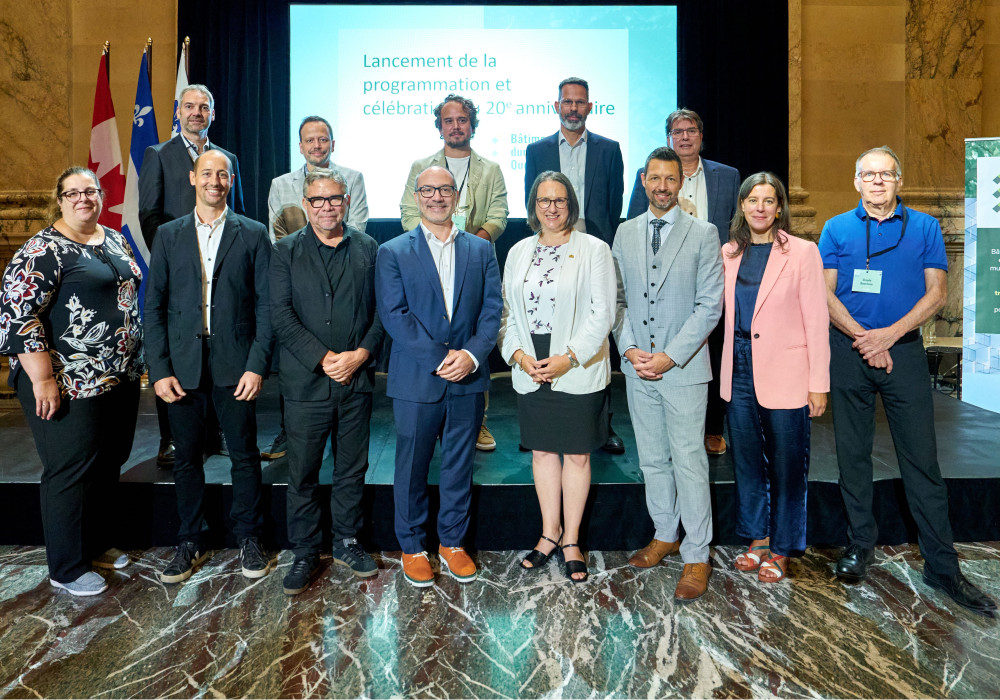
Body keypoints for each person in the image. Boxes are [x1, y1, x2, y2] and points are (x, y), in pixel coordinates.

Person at [819, 146, 996, 616]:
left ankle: (942, 565)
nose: (877, 181)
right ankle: (859, 547)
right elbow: (823, 291)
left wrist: (889, 336)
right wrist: (863, 338)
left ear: (899, 180)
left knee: (922, 460)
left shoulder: (924, 227)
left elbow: (938, 293)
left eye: (886, 174)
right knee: (852, 456)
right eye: (868, 174)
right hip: (851, 352)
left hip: (904, 354)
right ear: (856, 181)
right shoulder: (836, 228)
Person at [0, 166, 143, 595]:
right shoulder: (43, 250)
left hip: (117, 379)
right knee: (70, 470)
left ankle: (95, 544)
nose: (84, 198)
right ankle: (65, 566)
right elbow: (17, 316)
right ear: (59, 200)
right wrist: (42, 379)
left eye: (91, 191)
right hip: (66, 383)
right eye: (73, 192)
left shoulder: (114, 238)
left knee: (107, 462)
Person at [144, 149, 273, 585]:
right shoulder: (168, 234)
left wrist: (257, 366)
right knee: (185, 460)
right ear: (192, 177)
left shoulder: (253, 234)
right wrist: (158, 370)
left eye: (222, 174)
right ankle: (190, 539)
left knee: (244, 456)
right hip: (181, 370)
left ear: (231, 180)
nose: (214, 180)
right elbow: (154, 308)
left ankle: (249, 537)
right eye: (206, 173)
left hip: (236, 368)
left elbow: (267, 307)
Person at [376, 165, 502, 587]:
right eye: (427, 190)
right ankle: (412, 546)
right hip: (417, 378)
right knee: (412, 465)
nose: (436, 197)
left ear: (457, 195)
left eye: (444, 189)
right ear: (416, 195)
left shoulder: (481, 251)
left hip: (468, 377)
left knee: (459, 464)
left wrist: (469, 355)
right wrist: (439, 357)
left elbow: (491, 311)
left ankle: (452, 543)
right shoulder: (393, 251)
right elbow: (395, 315)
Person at [612, 147, 723, 601]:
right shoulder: (624, 232)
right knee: (653, 459)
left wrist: (669, 357)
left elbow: (709, 305)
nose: (661, 186)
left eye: (670, 179)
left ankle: (697, 553)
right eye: (654, 178)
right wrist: (631, 349)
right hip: (638, 368)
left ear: (681, 183)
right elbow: (616, 301)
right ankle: (665, 533)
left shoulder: (704, 233)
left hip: (683, 370)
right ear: (643, 181)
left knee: (689, 460)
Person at [270, 168, 384, 595]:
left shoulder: (369, 248)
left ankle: (348, 542)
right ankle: (303, 551)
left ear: (347, 201)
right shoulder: (283, 251)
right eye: (317, 201)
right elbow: (280, 314)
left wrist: (361, 354)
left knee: (352, 468)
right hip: (306, 384)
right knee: (302, 472)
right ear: (306, 205)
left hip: (355, 381)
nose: (326, 207)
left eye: (334, 199)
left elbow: (381, 313)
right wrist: (324, 358)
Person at [497, 171, 615, 583]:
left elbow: (604, 312)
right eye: (544, 200)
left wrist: (570, 357)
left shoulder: (594, 249)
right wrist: (515, 353)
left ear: (571, 205)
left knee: (577, 455)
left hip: (575, 366)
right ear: (533, 206)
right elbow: (506, 313)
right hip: (531, 366)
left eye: (560, 200)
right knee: (543, 452)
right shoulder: (518, 251)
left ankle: (572, 541)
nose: (552, 207)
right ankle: (549, 534)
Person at [719, 173, 829, 582]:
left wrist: (819, 383)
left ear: (779, 207)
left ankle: (782, 547)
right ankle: (757, 538)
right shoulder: (729, 252)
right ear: (742, 207)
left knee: (787, 463)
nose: (760, 207)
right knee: (746, 460)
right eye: (753, 200)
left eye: (769, 200)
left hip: (788, 370)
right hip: (740, 366)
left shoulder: (802, 252)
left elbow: (817, 321)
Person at [138, 84, 243, 467]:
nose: (197, 113)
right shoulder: (158, 154)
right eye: (189, 107)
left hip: (222, 269)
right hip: (180, 272)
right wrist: (179, 257)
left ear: (213, 114)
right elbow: (149, 214)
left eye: (204, 107)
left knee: (216, 356)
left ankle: (217, 433)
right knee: (180, 353)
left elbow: (240, 213)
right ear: (177, 111)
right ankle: (171, 440)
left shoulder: (227, 157)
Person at [626, 109, 740, 457]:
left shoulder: (727, 175)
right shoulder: (652, 177)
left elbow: (736, 224)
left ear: (701, 136)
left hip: (712, 276)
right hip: (665, 277)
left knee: (715, 352)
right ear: (669, 138)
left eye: (691, 130)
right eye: (678, 131)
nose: (685, 136)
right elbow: (635, 218)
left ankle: (712, 429)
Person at [400, 94, 509, 453]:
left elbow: (498, 215)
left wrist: (466, 243)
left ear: (472, 125)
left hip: (472, 262)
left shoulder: (489, 169)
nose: (456, 125)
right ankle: (431, 414)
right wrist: (437, 237)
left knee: (474, 336)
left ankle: (477, 423)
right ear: (440, 126)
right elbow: (407, 212)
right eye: (449, 120)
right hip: (428, 260)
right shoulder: (420, 165)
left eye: (462, 119)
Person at [524, 76, 625, 454]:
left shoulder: (609, 149)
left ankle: (603, 425)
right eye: (567, 102)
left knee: (597, 331)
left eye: (580, 102)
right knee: (549, 329)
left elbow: (613, 205)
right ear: (557, 106)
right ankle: (541, 424)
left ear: (589, 107)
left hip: (593, 248)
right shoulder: (537, 150)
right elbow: (530, 199)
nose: (573, 108)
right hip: (550, 245)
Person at [263, 115, 370, 461]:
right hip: (300, 279)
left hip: (346, 276)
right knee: (302, 476)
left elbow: (354, 229)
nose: (317, 146)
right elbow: (279, 231)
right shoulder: (281, 185)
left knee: (351, 472)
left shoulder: (353, 180)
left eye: (323, 139)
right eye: (310, 140)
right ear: (300, 146)